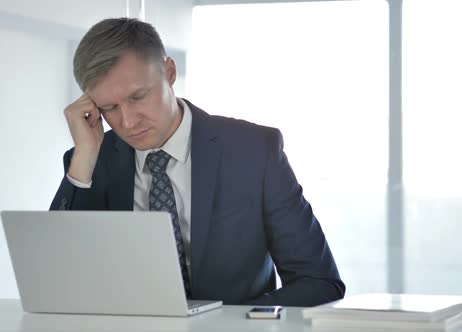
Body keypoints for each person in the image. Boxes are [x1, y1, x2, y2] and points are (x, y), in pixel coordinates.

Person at [50, 17, 345, 306]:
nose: (127, 122)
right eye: (109, 108)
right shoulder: (91, 161)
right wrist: (85, 156)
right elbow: (57, 280)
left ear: (169, 72)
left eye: (138, 97)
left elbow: (319, 282)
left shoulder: (254, 152)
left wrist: (227, 324)